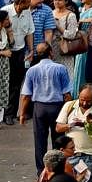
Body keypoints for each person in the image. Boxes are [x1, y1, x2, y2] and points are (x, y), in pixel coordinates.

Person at [20, 43, 75, 173]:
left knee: (39, 140)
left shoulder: (32, 70)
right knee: (58, 139)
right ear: (51, 52)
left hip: (39, 107)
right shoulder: (60, 68)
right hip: (57, 107)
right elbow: (67, 94)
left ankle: (42, 170)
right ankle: (58, 167)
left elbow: (26, 95)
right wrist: (70, 111)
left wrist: (22, 114)